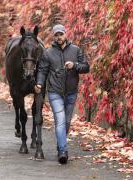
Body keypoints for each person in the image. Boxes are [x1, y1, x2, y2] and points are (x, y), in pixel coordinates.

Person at [34, 24, 89, 164]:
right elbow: (42, 71)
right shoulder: (48, 53)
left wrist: (75, 65)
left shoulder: (76, 50)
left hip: (71, 93)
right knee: (60, 121)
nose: (59, 37)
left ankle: (60, 145)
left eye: (61, 34)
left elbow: (86, 67)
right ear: (54, 36)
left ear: (66, 34)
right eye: (56, 35)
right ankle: (63, 151)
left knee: (66, 122)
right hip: (55, 92)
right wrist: (39, 83)